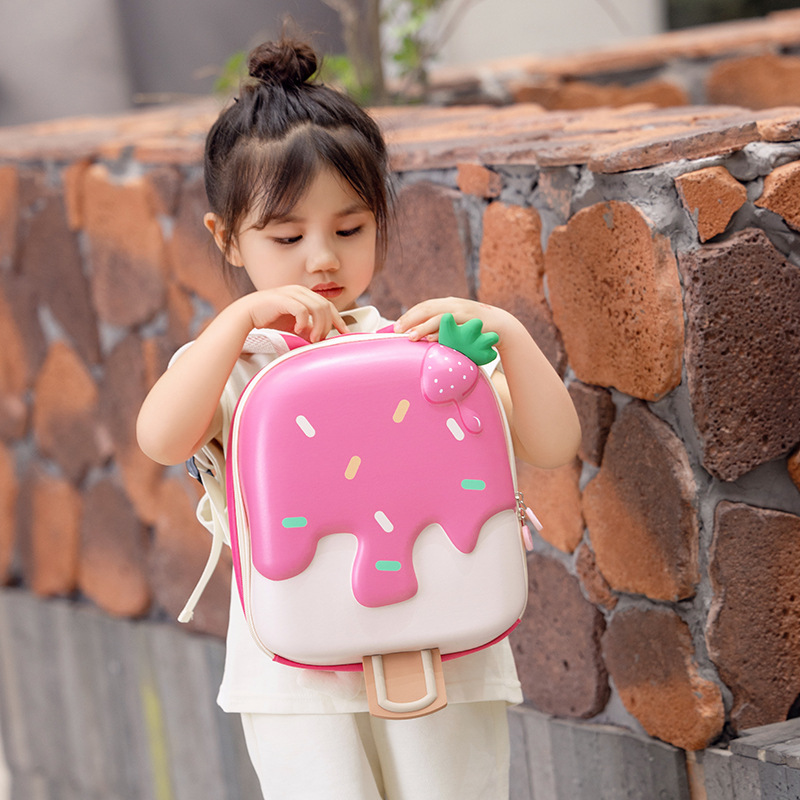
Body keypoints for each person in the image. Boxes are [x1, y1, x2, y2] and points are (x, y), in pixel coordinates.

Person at [137, 37, 581, 800]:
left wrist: (506, 334)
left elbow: (551, 444)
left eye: (350, 230)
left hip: (443, 647)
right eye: (286, 237)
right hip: (297, 672)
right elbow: (162, 438)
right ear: (227, 238)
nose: (322, 259)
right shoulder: (233, 364)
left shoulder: (418, 354)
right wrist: (237, 324)